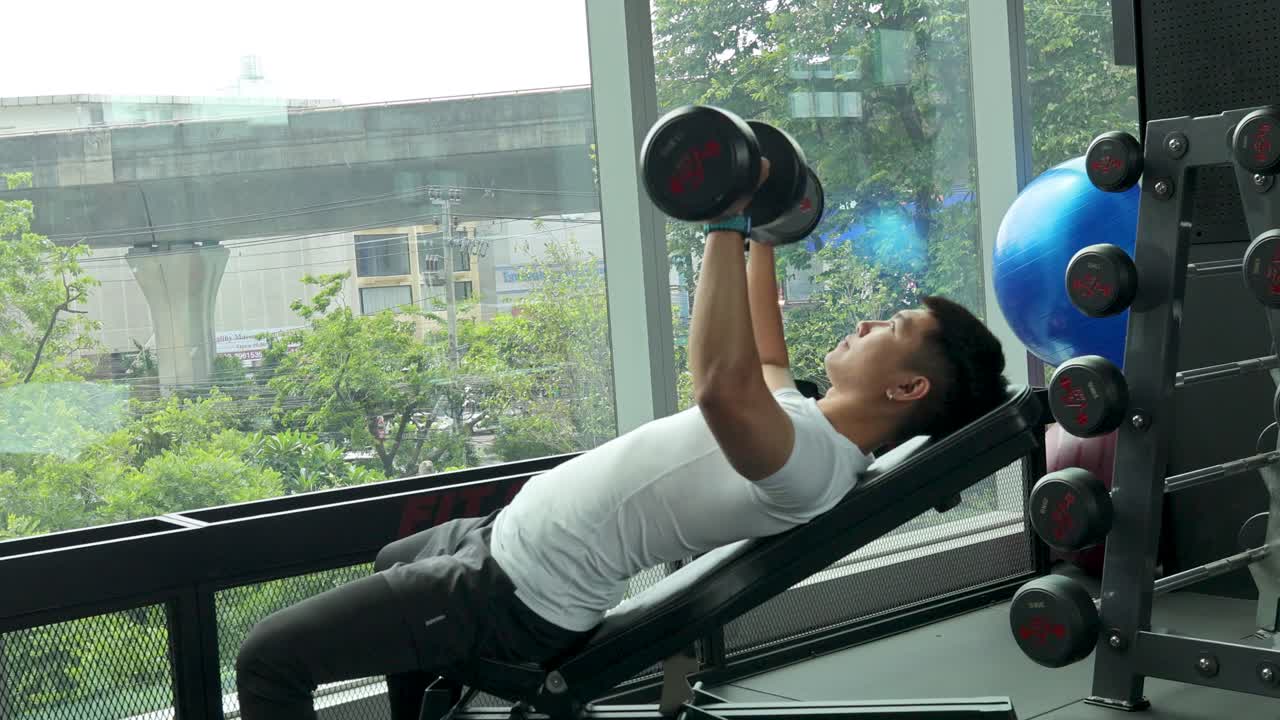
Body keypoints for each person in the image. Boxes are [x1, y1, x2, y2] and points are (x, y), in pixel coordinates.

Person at [234, 161, 1010, 720]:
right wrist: (768, 229)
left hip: (514, 596)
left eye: (897, 328)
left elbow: (720, 382)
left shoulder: (809, 467)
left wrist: (726, 221)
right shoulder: (808, 424)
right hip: (499, 545)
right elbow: (767, 358)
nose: (871, 322)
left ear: (909, 389)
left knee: (270, 659)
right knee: (392, 561)